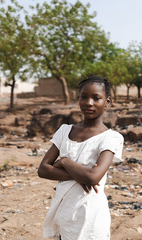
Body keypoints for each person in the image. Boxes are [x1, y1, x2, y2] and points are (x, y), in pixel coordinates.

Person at [38, 75, 124, 240]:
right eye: (84, 97)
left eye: (96, 98)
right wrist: (79, 176)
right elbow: (43, 169)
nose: (89, 102)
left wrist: (64, 162)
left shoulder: (111, 138)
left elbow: (93, 177)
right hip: (64, 211)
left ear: (107, 102)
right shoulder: (65, 131)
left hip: (90, 215)